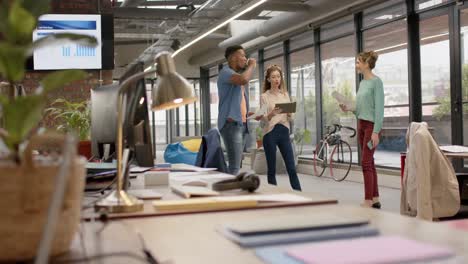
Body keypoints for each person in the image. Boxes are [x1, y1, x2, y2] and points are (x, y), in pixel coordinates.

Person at [340, 51, 384, 208]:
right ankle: (375, 198)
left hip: (372, 127)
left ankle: (367, 200)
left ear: (366, 64)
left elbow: (379, 109)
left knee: (365, 162)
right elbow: (361, 109)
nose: (356, 64)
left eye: (358, 62)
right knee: (369, 162)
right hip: (361, 124)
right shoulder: (362, 83)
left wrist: (376, 132)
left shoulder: (376, 82)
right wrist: (349, 108)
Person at [258, 65, 301, 191]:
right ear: (268, 79)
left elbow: (291, 118)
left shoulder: (285, 95)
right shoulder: (264, 97)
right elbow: (263, 118)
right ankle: (272, 195)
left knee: (291, 167)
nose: (277, 79)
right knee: (272, 169)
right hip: (270, 133)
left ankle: (298, 193)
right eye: (273, 77)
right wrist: (272, 113)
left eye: (278, 76)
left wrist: (289, 113)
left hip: (284, 131)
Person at [217, 45, 257, 175]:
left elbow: (238, 103)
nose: (246, 59)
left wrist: (249, 114)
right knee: (234, 166)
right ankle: (228, 192)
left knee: (237, 164)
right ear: (233, 57)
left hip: (241, 123)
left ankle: (230, 189)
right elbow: (243, 79)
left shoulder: (235, 75)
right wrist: (252, 65)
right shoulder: (225, 72)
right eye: (243, 55)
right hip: (231, 125)